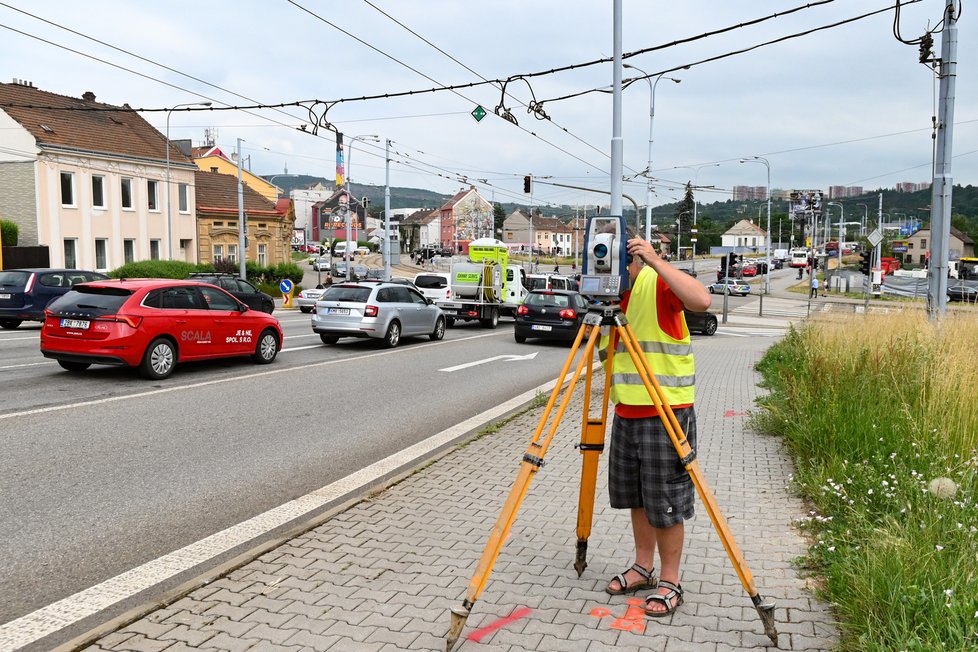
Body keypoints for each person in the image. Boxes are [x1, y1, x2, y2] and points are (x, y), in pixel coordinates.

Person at [601, 233, 711, 618]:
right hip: (626, 412)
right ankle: (642, 567)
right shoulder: (607, 294)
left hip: (665, 411)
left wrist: (655, 261)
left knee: (665, 503)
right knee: (637, 498)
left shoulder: (654, 280)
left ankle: (670, 580)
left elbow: (701, 301)